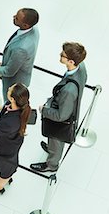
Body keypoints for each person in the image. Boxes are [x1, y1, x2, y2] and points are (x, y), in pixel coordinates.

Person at [30, 42, 87, 172]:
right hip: (67, 104)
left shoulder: (69, 90)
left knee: (56, 140)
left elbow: (61, 116)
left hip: (61, 119)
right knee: (53, 142)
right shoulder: (81, 66)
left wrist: (44, 110)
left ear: (71, 61)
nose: (60, 55)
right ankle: (51, 149)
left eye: (63, 55)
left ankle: (52, 164)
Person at [0, 83, 31, 194]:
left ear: (12, 98)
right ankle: (5, 177)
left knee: (5, 168)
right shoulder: (11, 105)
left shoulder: (11, 123)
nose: (8, 88)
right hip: (9, 143)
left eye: (10, 89)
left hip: (6, 148)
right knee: (6, 166)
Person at [0, 8, 39, 101]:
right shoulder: (34, 29)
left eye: (16, 18)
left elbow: (9, 71)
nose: (13, 17)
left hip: (14, 82)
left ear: (25, 25)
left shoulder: (21, 48)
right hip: (22, 71)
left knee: (9, 102)